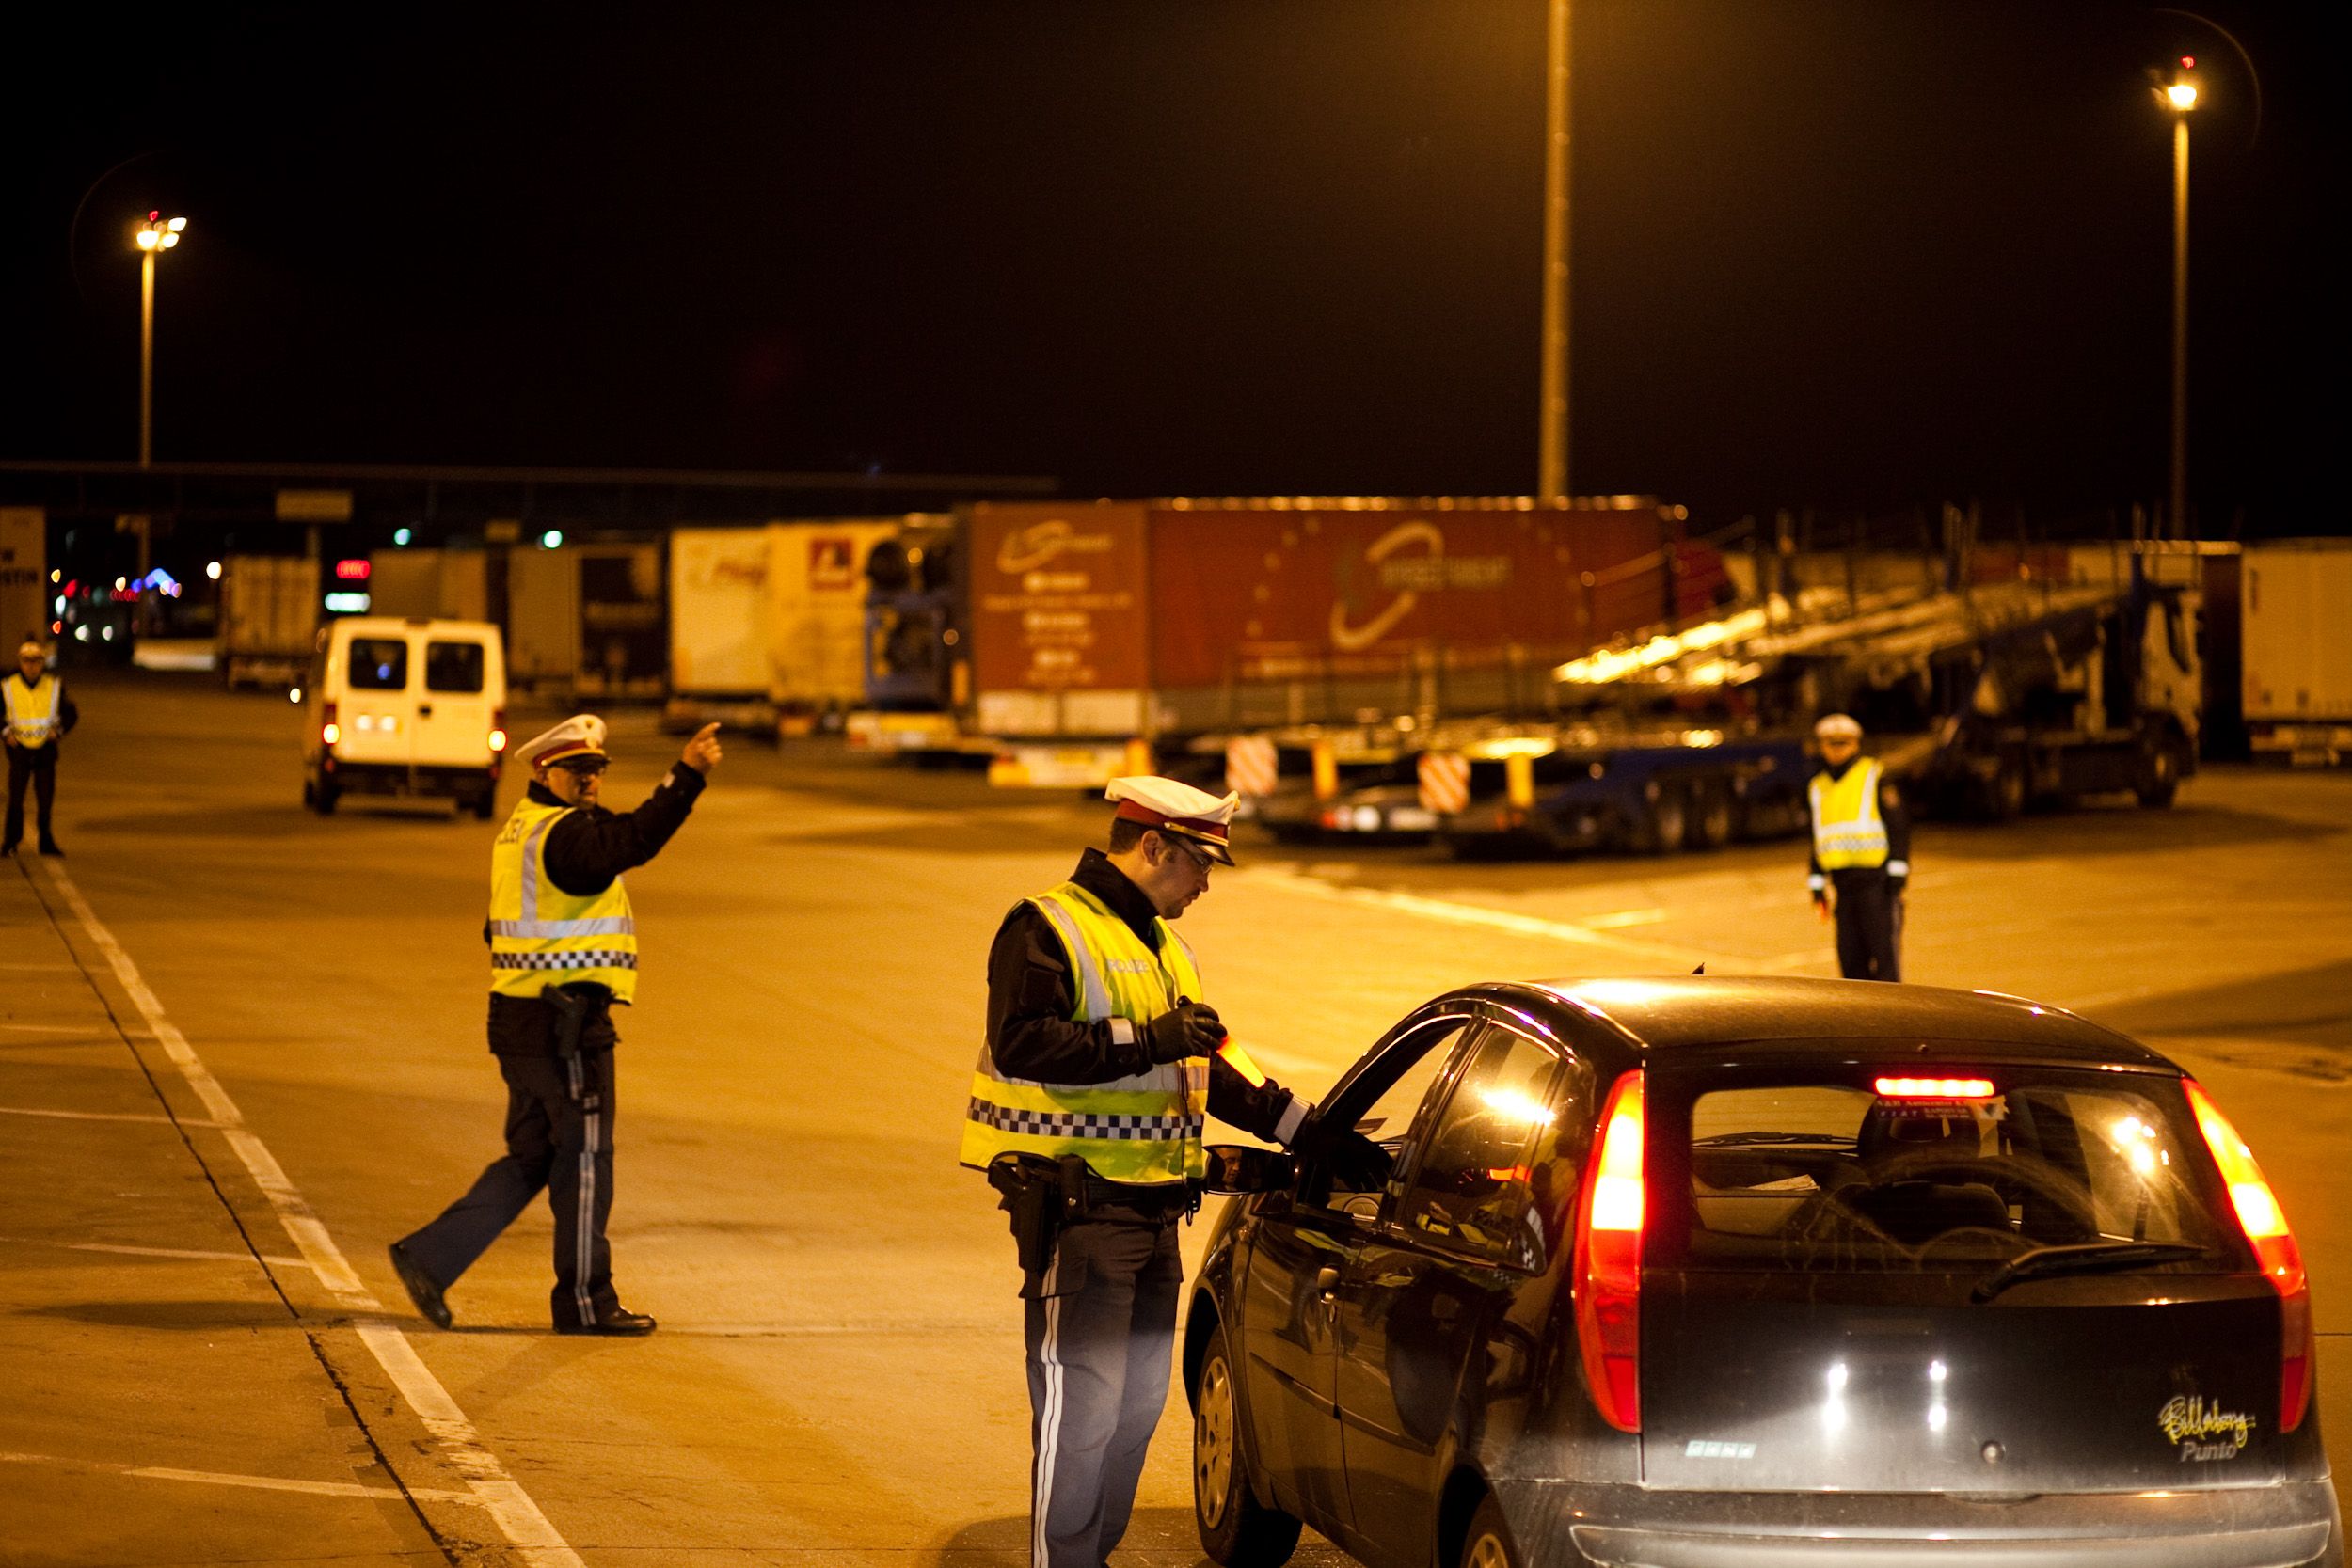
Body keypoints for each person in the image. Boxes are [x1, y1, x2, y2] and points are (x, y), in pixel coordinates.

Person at [965, 775, 1388, 1568]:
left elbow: (1219, 1068)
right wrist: (1148, 1040)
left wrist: (1312, 1132)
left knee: (1134, 1410)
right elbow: (1023, 1040)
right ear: (1153, 845)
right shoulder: (1046, 926)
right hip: (1082, 1216)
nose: (1203, 885)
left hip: (1159, 1218)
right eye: (1200, 865)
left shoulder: (1167, 948)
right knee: (1080, 1408)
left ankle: (1094, 1552)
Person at [389, 714, 722, 1335]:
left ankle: (430, 1257)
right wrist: (687, 778)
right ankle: (586, 1300)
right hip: (563, 1027)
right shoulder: (566, 838)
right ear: (546, 771)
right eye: (579, 770)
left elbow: (498, 925)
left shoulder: (521, 831)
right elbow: (633, 842)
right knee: (587, 1157)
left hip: (518, 1022)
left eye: (597, 770)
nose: (591, 780)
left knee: (533, 1155)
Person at [1806, 713, 1911, 981]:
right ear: (1821, 746)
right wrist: (1817, 883)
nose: (1837, 749)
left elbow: (1898, 827)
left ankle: (1891, 1020)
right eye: (1831, 743)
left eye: (1844, 743)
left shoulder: (1874, 775)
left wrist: (1898, 872)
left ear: (1856, 744)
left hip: (1876, 886)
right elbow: (1819, 836)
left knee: (1886, 963)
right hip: (1843, 888)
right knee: (1851, 965)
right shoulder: (1818, 786)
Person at [3, 640, 77, 857]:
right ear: (20, 662)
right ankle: (10, 841)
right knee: (16, 798)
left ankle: (46, 842)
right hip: (20, 752)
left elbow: (71, 714)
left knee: (45, 800)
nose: (31, 666)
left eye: (36, 661)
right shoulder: (8, 686)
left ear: (43, 663)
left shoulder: (53, 686)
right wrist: (6, 733)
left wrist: (60, 731)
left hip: (45, 751)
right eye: (27, 661)